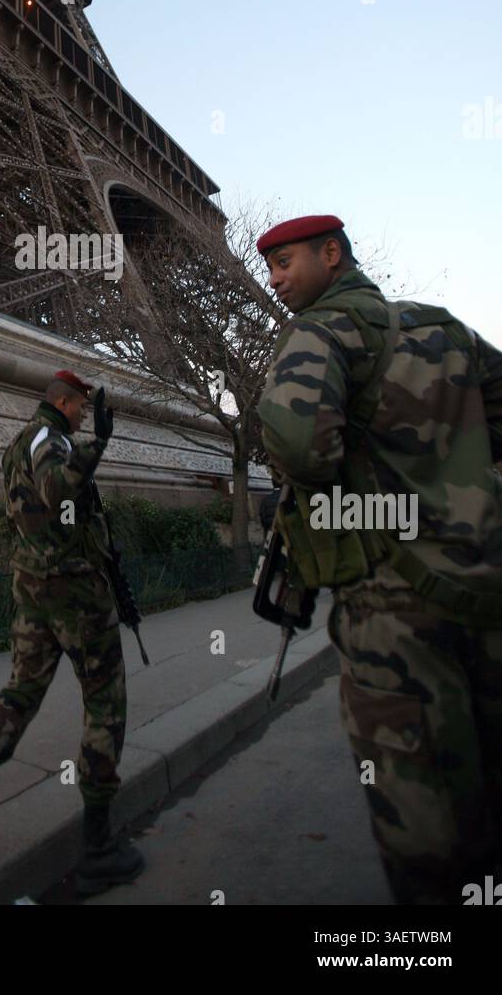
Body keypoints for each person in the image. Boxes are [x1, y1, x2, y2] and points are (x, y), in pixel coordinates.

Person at [256, 214, 502, 906]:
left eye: (285, 264)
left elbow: (302, 446)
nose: (274, 281)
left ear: (331, 255)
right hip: (485, 590)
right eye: (269, 267)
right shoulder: (441, 326)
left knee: (425, 835)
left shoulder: (316, 332)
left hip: (393, 614)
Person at [0, 369, 144, 897]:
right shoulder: (49, 439)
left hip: (34, 588)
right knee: (106, 703)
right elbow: (56, 488)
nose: (85, 414)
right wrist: (99, 446)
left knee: (19, 697)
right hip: (74, 594)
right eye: (81, 407)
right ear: (62, 402)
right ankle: (99, 845)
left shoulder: (21, 440)